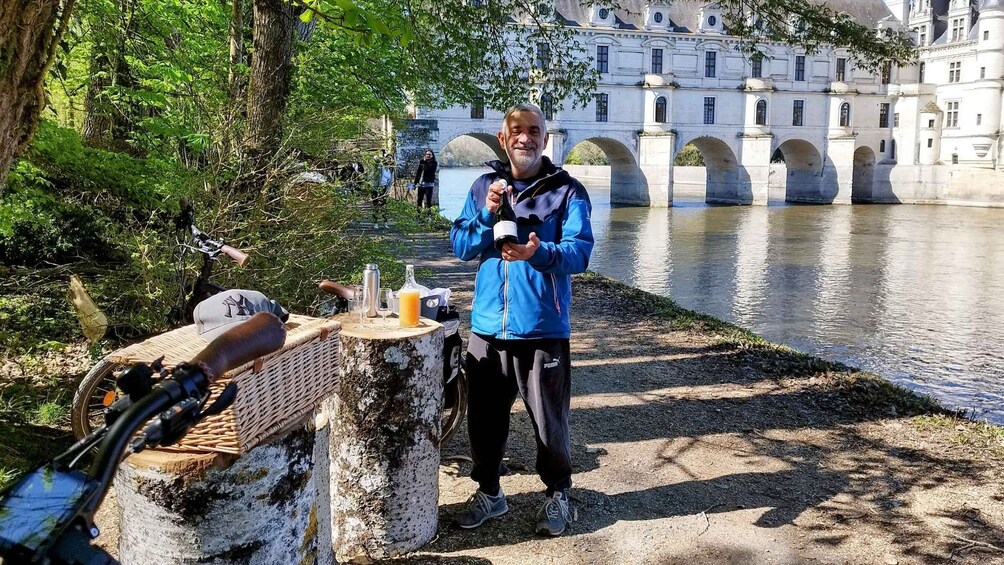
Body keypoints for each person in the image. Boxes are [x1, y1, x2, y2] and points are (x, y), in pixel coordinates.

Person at [449, 103, 594, 536]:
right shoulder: (482, 187)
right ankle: (491, 494)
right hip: (488, 327)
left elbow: (580, 252)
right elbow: (460, 245)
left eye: (534, 130)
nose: (525, 138)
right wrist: (484, 215)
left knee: (550, 423)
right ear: (503, 137)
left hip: (543, 330)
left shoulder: (568, 191)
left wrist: (539, 254)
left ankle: (558, 495)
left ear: (545, 139)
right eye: (517, 130)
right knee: (483, 421)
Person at [412, 149, 437, 222]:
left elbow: (428, 170)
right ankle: (418, 216)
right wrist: (415, 182)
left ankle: (429, 216)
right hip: (421, 184)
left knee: (428, 201)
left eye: (429, 154)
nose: (428, 156)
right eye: (427, 154)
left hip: (429, 184)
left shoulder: (434, 163)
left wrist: (425, 162)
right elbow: (418, 172)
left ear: (432, 156)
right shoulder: (422, 162)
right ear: (425, 155)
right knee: (419, 200)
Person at [371, 151, 394, 228]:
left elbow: (390, 182)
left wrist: (387, 191)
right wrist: (378, 159)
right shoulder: (379, 167)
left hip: (383, 188)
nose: (388, 161)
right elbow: (375, 159)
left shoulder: (391, 170)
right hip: (375, 187)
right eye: (387, 159)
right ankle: (375, 222)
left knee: (384, 206)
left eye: (390, 159)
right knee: (376, 205)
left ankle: (385, 222)